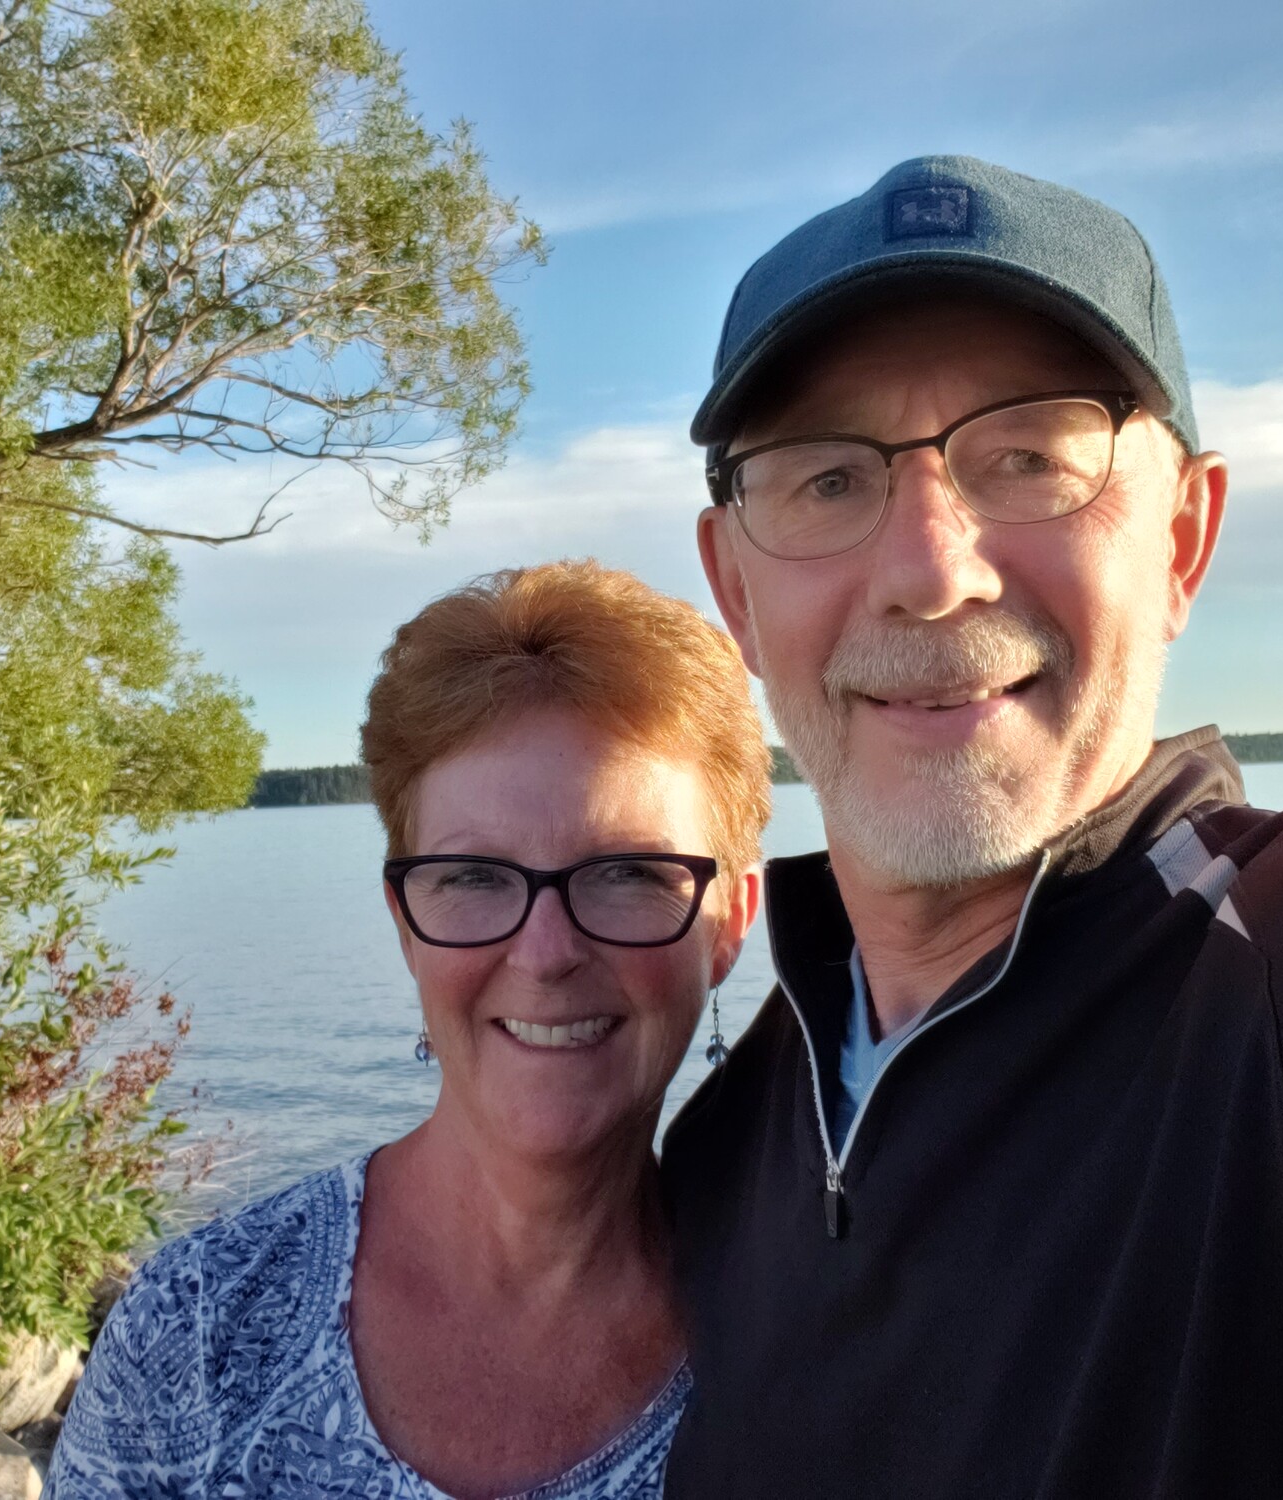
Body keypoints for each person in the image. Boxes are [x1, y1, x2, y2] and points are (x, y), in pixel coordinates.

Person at [661, 155, 1283, 1498]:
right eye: (828, 481)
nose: (930, 571)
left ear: (1183, 540)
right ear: (734, 589)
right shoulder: (724, 1146)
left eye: (1028, 456)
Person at [48, 560, 768, 1499]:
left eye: (627, 872)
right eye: (473, 878)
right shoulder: (201, 1325)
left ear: (730, 923)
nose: (545, 953)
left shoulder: (800, 1351)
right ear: (403, 920)